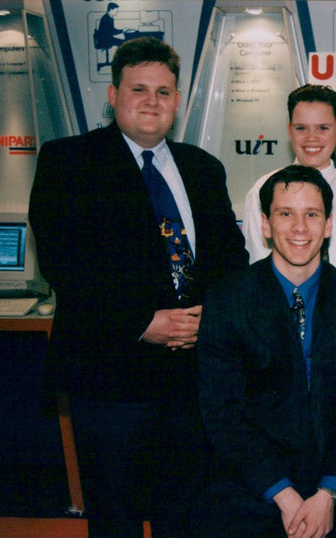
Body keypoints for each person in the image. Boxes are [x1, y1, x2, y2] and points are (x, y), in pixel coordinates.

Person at [28, 37, 248, 537]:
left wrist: (204, 320)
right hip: (109, 378)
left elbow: (230, 261)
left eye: (164, 92)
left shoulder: (203, 169)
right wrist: (142, 322)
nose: (152, 101)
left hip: (191, 382)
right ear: (112, 94)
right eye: (139, 89)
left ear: (177, 101)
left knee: (186, 515)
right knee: (115, 520)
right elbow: (65, 263)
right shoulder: (68, 161)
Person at [196, 165, 336, 538]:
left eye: (312, 215)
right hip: (257, 469)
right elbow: (223, 414)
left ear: (329, 224)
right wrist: (283, 494)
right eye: (285, 214)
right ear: (266, 225)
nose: (300, 228)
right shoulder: (227, 300)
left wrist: (329, 492)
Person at [242, 84, 336, 298]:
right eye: (301, 128)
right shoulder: (262, 191)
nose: (312, 138)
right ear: (289, 131)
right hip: (276, 320)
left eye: (323, 128)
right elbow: (257, 268)